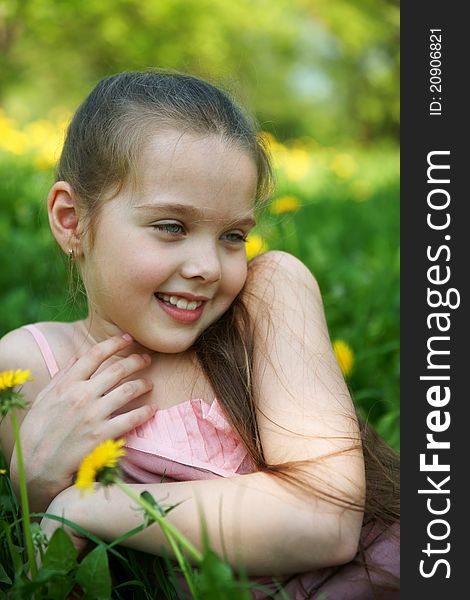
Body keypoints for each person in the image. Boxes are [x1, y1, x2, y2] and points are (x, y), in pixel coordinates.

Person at [0, 70, 399, 598]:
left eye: (233, 235)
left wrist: (85, 505)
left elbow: (326, 524)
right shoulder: (33, 369)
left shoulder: (268, 296)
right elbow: (55, 582)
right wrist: (35, 489)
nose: (208, 267)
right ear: (72, 220)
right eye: (172, 227)